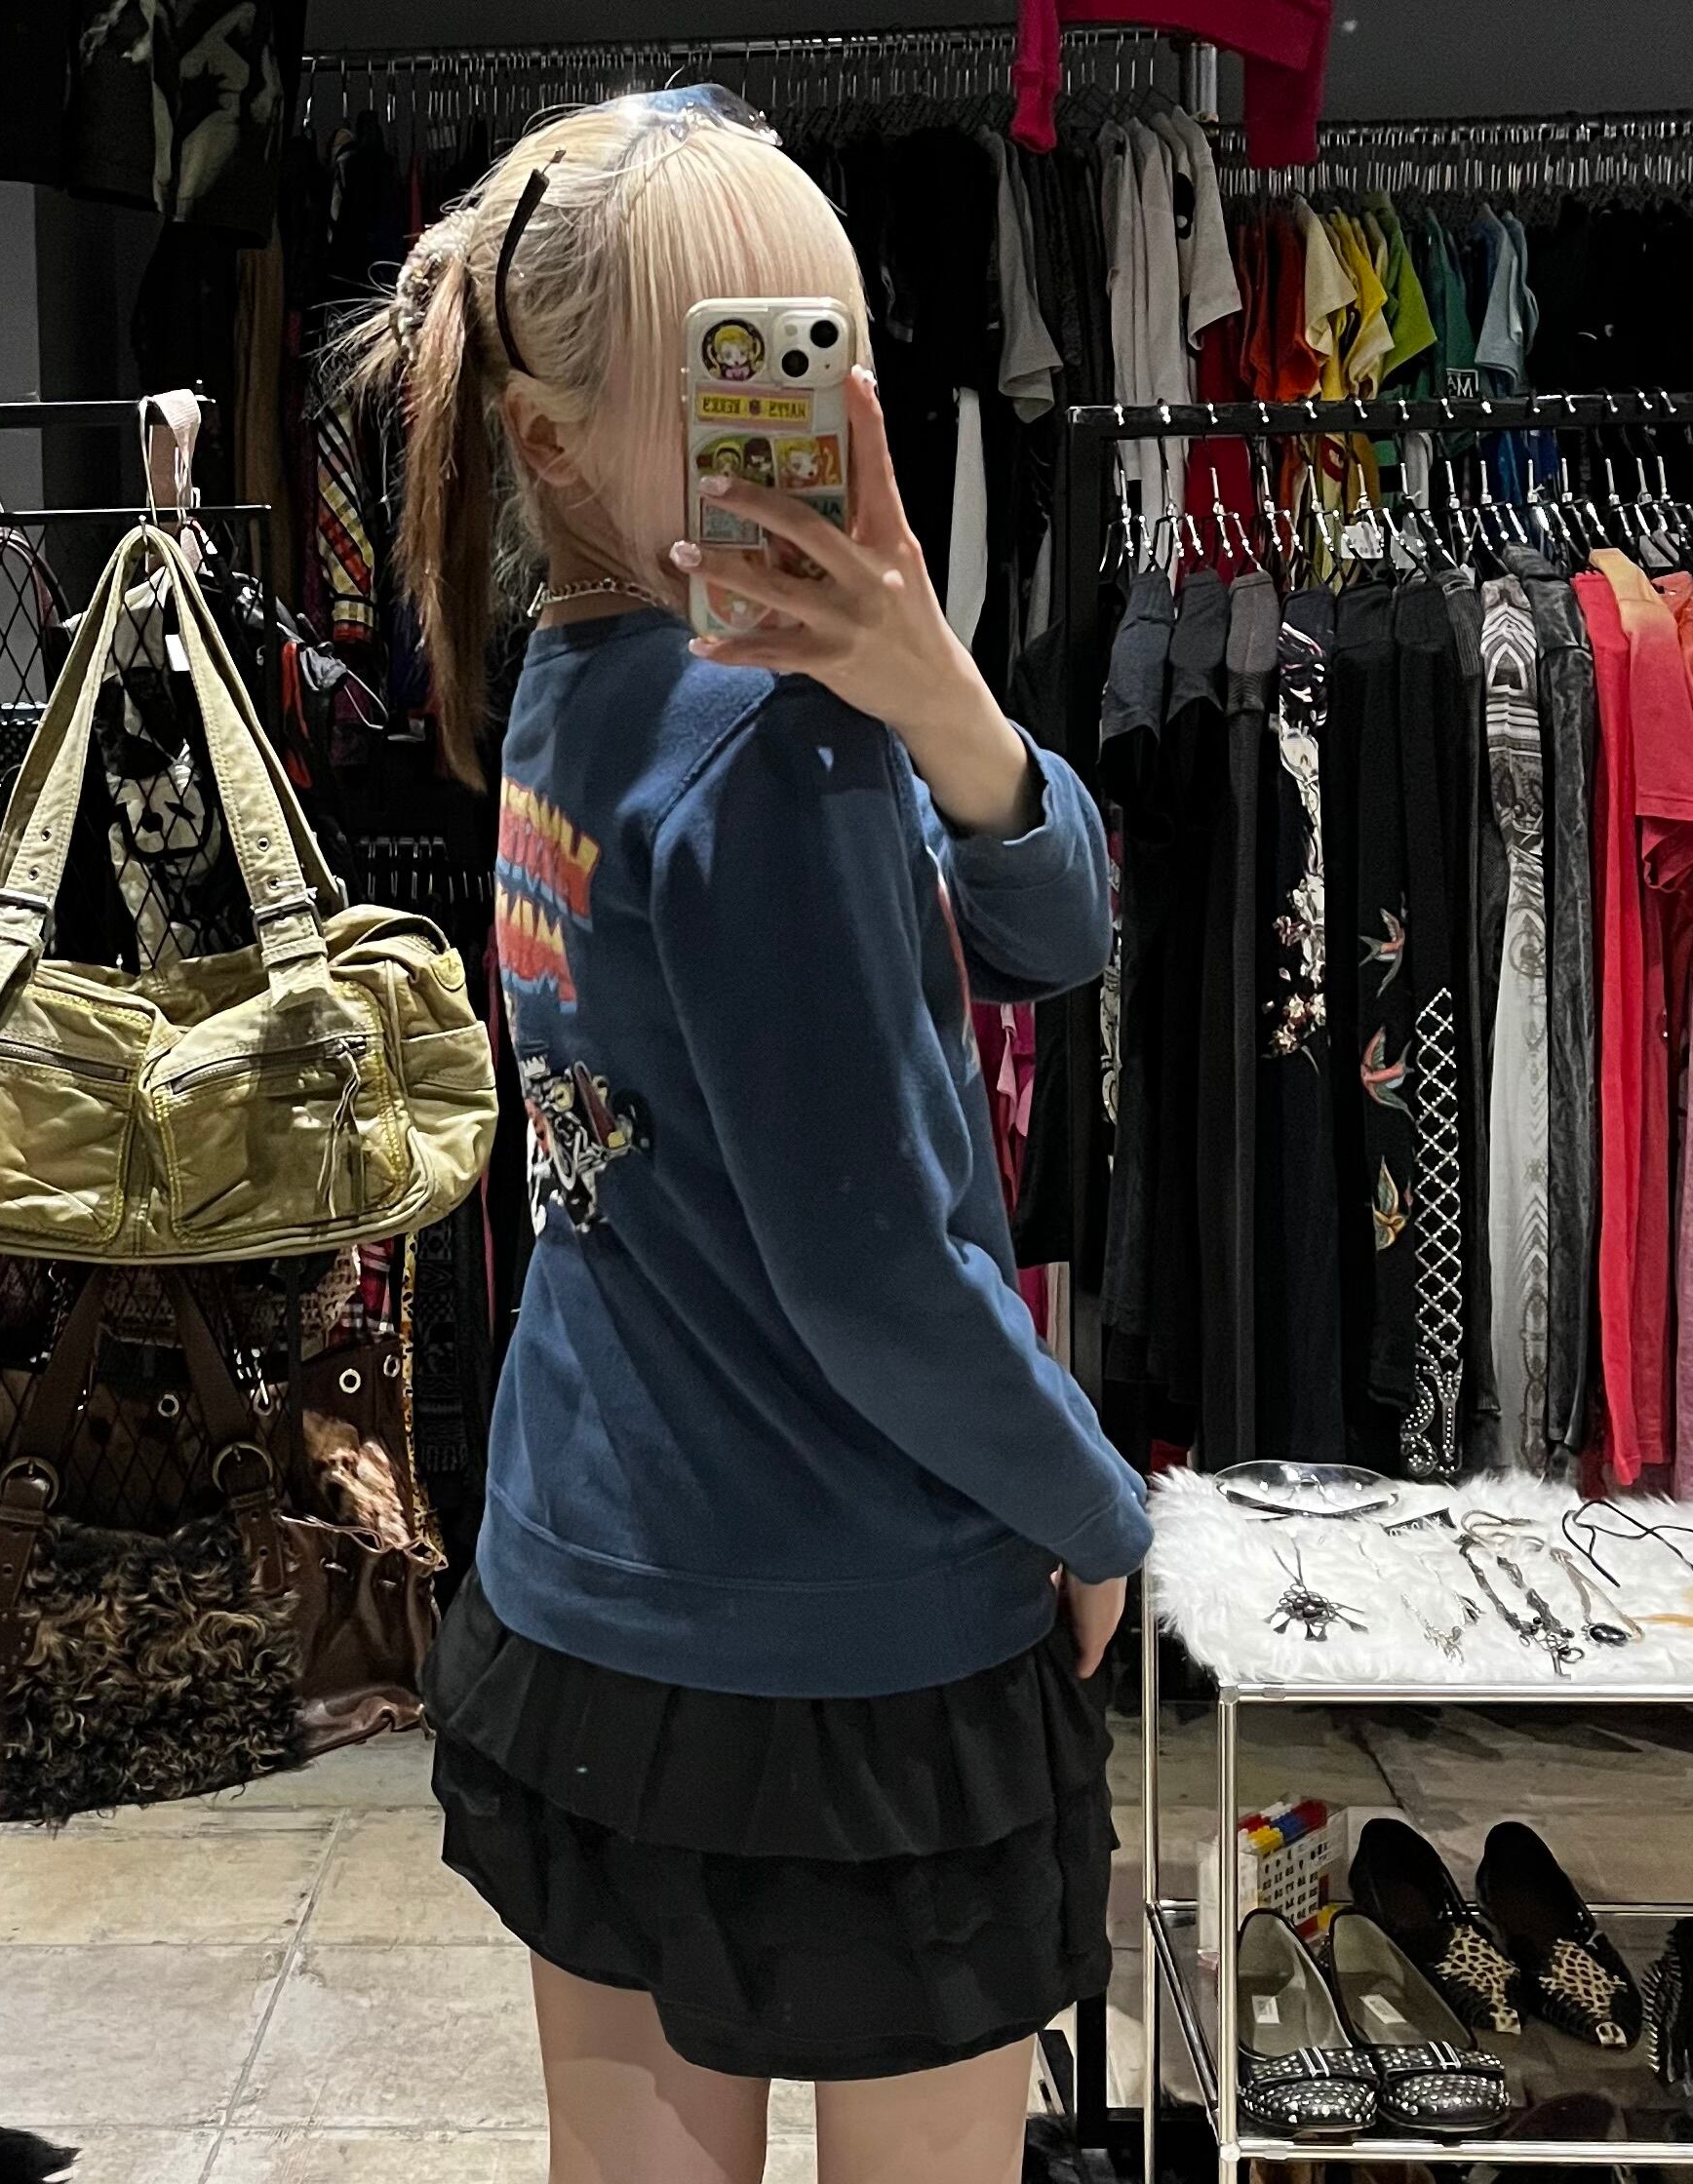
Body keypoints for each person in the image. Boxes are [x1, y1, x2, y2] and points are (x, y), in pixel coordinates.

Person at [343, 87, 1151, 2184]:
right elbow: (877, 1273)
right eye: (744, 366)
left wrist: (937, 692)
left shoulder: (575, 680)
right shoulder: (769, 749)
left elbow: (1050, 929)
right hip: (849, 1637)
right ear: (552, 447)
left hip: (589, 1589)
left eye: (819, 347)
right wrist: (1093, 1508)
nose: (807, 410)